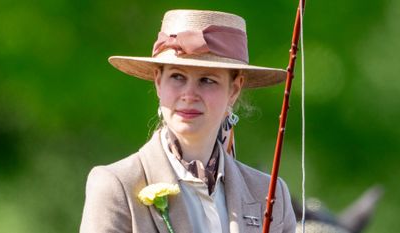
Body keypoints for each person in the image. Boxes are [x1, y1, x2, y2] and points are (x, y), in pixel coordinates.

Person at [80, 9, 296, 233]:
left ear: (234, 89)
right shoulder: (115, 184)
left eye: (207, 80)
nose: (189, 94)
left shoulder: (270, 194)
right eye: (177, 77)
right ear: (158, 82)